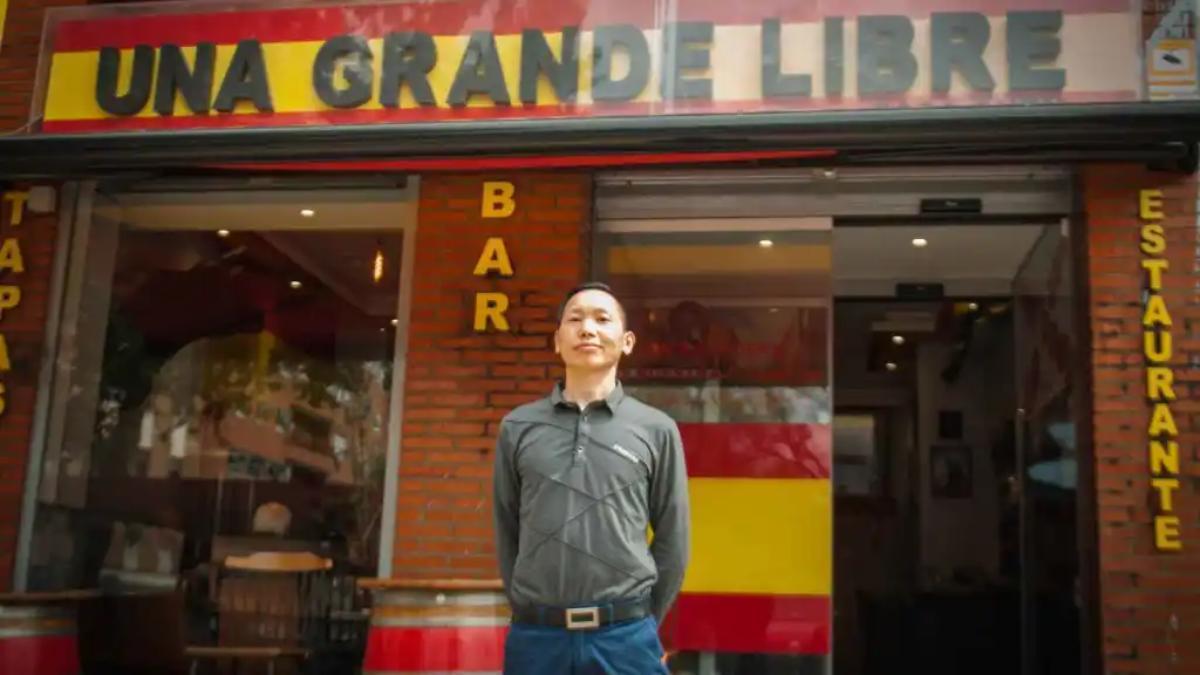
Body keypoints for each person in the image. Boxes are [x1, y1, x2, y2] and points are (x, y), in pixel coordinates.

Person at [493, 282, 690, 674]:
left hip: (626, 639)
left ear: (627, 341)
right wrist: (528, 606)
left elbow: (673, 541)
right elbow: (507, 529)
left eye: (603, 319)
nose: (588, 329)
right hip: (537, 638)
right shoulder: (517, 426)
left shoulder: (657, 429)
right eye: (575, 319)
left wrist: (642, 619)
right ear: (557, 340)